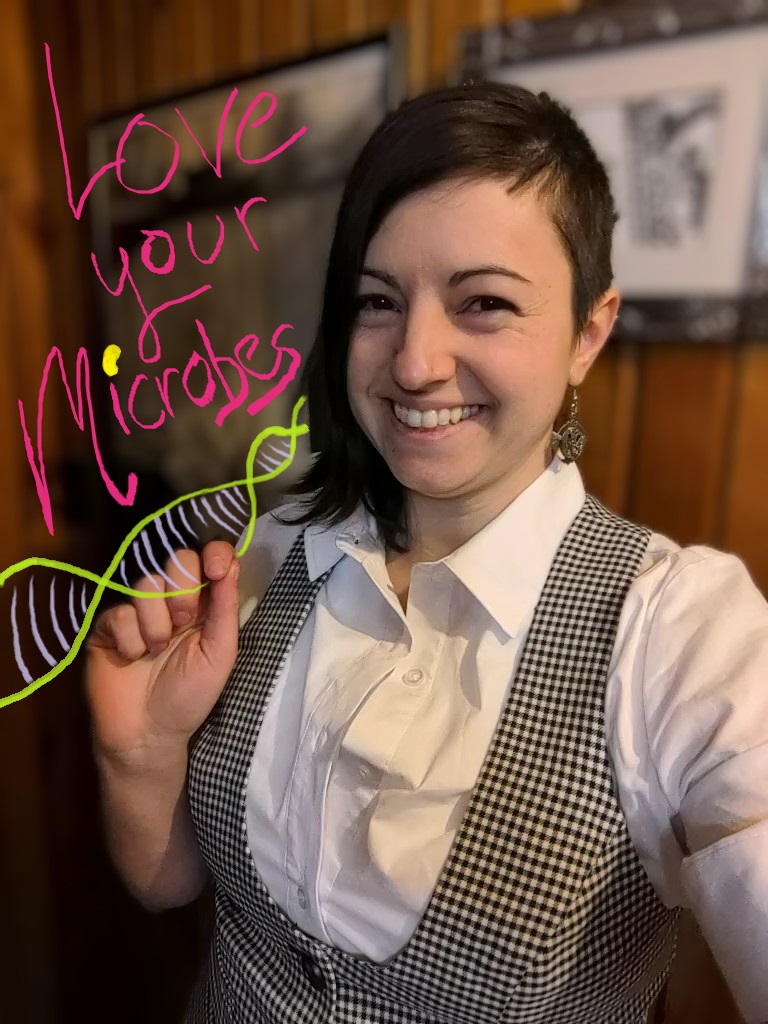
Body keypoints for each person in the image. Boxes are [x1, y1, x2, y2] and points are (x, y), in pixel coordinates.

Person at [86, 82, 768, 1024]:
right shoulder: (274, 550)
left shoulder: (681, 633)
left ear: (589, 331)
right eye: (378, 301)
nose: (413, 363)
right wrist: (140, 750)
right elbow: (170, 884)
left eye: (483, 302)